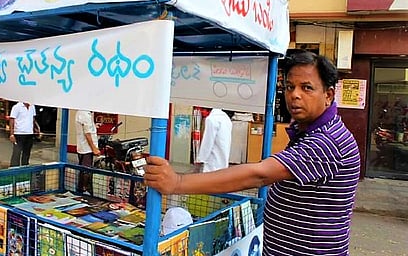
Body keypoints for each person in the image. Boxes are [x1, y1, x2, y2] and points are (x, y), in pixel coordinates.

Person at [144, 51, 361, 255]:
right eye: (289, 87)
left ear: (329, 95)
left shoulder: (328, 140)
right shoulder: (308, 131)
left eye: (307, 88)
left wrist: (177, 183)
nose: (294, 95)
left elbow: (259, 175)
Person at [195, 108, 233, 172]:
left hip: (212, 161)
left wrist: (201, 159)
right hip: (223, 159)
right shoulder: (226, 118)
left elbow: (207, 141)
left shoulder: (211, 119)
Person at [75, 110, 101, 193]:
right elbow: (87, 134)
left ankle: (81, 189)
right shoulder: (85, 115)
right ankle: (84, 189)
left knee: (83, 170)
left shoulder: (81, 113)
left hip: (83, 147)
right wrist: (94, 148)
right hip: (86, 148)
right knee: (86, 171)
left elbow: (86, 128)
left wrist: (94, 126)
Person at [9, 102, 39, 167]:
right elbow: (12, 120)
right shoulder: (17, 107)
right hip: (19, 134)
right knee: (17, 153)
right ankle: (13, 171)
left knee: (26, 154)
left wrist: (35, 128)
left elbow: (33, 119)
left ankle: (25, 170)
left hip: (29, 134)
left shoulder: (32, 106)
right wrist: (11, 134)